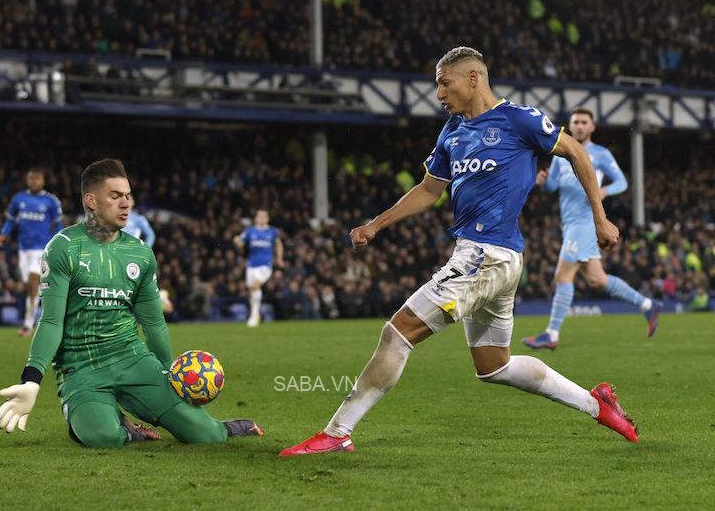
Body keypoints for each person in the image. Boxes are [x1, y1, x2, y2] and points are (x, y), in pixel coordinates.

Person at [279, 47, 638, 456]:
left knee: (397, 334)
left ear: (473, 78)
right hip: (494, 259)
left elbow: (575, 151)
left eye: (444, 83)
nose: (438, 93)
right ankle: (597, 404)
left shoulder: (518, 119)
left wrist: (600, 217)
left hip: (486, 256)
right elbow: (430, 190)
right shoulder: (452, 131)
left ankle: (337, 432)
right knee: (495, 366)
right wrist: (375, 224)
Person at [0, 159, 264, 447]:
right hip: (80, 368)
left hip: (133, 360)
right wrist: (32, 380)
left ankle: (216, 426)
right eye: (115, 196)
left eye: (127, 195)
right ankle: (121, 427)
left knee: (208, 437)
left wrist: (168, 370)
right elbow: (50, 321)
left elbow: (152, 321)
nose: (126, 203)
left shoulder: (140, 253)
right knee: (103, 437)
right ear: (91, 201)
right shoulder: (63, 247)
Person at [522, 108, 661, 350]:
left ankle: (551, 334)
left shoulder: (600, 154)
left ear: (592, 127)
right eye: (575, 122)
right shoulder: (560, 153)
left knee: (562, 276)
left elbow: (622, 182)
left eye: (584, 122)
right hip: (570, 223)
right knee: (597, 280)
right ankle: (648, 306)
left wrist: (604, 191)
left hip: (586, 222)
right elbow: (553, 186)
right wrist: (543, 182)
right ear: (571, 125)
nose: (579, 126)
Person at [0, 167, 63, 336]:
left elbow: (58, 225)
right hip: (23, 248)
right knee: (30, 287)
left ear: (43, 181)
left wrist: (59, 244)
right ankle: (36, 317)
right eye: (31, 178)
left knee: (33, 281)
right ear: (27, 180)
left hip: (42, 248)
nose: (34, 182)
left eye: (37, 179)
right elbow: (10, 221)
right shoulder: (19, 199)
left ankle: (27, 325)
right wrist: (2, 235)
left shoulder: (51, 201)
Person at [233, 210, 284, 327]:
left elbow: (278, 244)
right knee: (252, 290)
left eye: (264, 216)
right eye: (259, 216)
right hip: (251, 265)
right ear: (255, 218)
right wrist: (236, 242)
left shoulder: (272, 232)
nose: (261, 218)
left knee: (255, 286)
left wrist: (279, 258)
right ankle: (256, 314)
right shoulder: (250, 231)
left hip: (265, 265)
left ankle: (254, 315)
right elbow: (240, 243)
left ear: (268, 218)